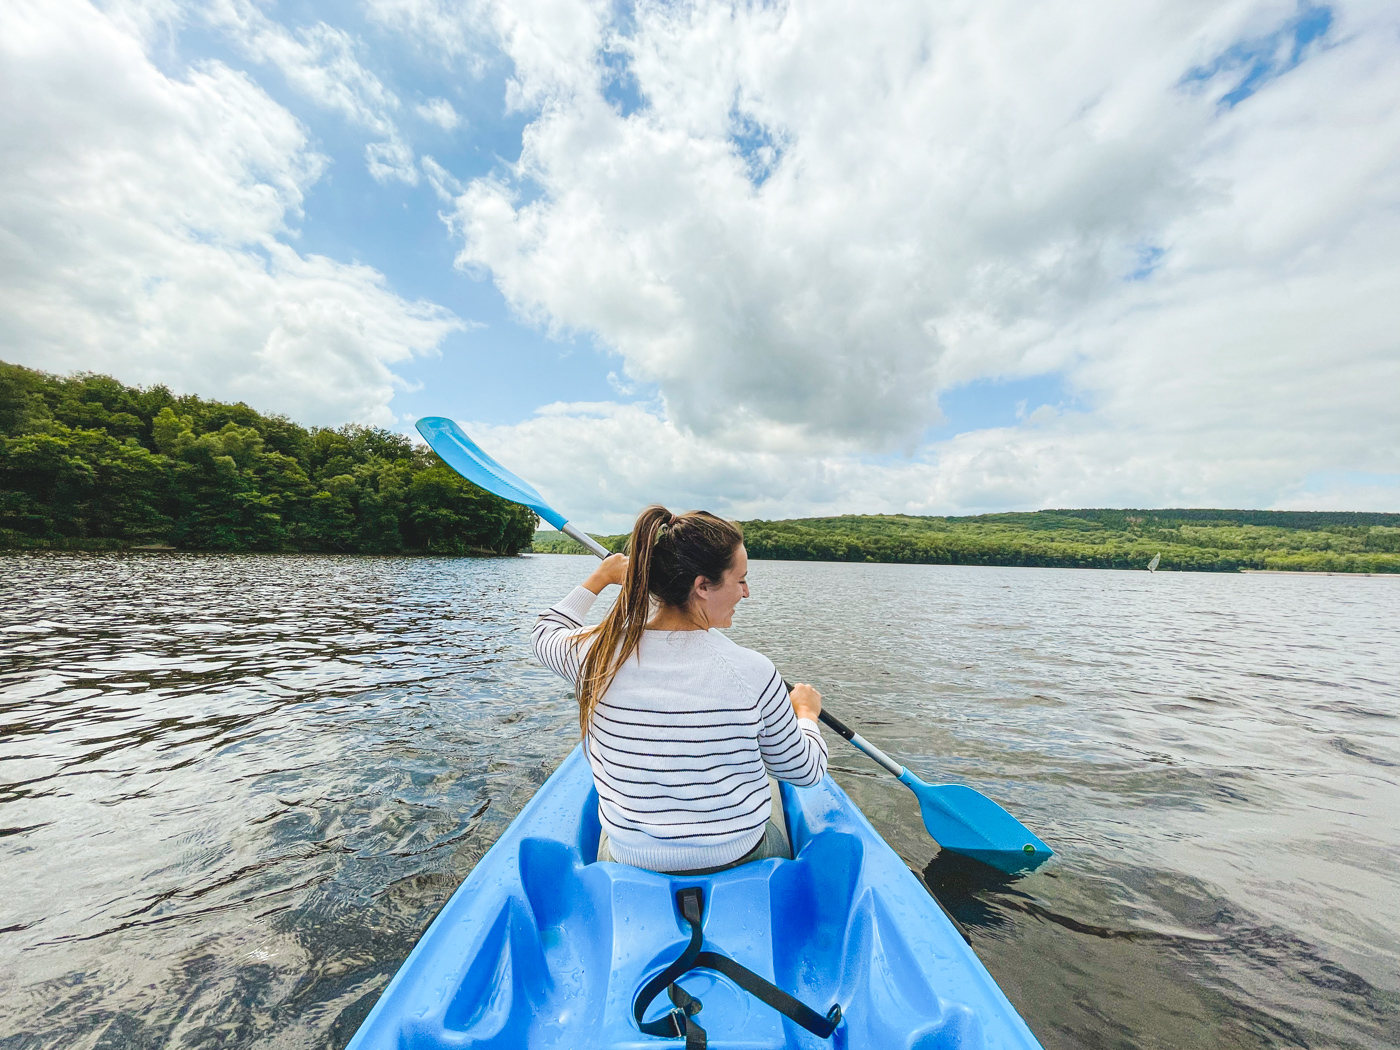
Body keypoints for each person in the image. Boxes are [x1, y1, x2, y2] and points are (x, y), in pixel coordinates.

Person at [532, 506, 828, 875]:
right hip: (737, 853)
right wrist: (806, 715)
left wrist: (601, 578)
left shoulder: (595, 652)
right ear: (702, 586)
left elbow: (544, 631)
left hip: (631, 857)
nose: (747, 593)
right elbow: (805, 770)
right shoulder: (753, 671)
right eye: (741, 580)